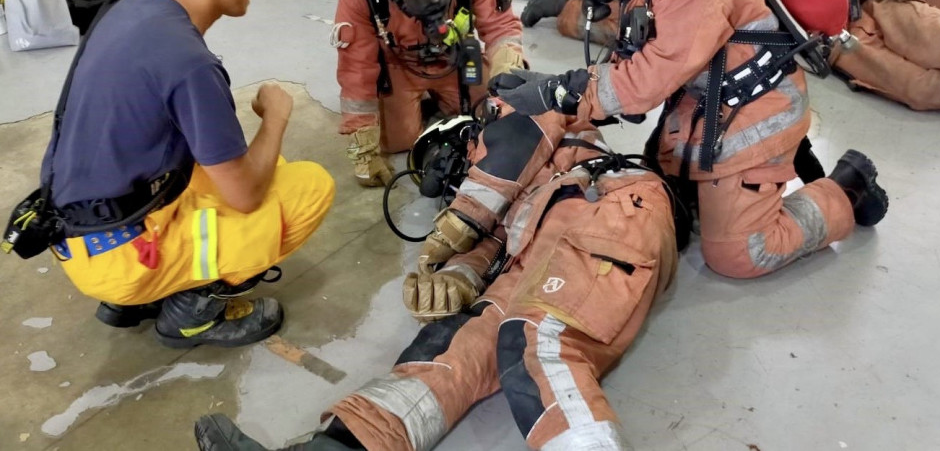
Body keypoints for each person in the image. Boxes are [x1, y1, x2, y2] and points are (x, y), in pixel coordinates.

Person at [492, 0, 889, 280]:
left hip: (753, 121)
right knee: (666, 207)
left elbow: (648, 79)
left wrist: (559, 90)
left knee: (738, 255)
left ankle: (847, 189)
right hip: (706, 105)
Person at [194, 106, 678, 450]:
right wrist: (456, 278)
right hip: (541, 257)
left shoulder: (516, 122)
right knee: (447, 351)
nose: (447, 181)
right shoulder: (509, 194)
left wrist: (451, 230)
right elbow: (501, 243)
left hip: (610, 213)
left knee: (535, 340)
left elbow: (516, 145)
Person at [38, 0, 335, 348]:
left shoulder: (133, 5)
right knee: (306, 188)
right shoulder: (189, 63)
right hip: (116, 254)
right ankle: (192, 311)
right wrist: (276, 118)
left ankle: (134, 297)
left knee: (258, 166)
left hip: (77, 227)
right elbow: (244, 195)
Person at [334, 0, 525, 188]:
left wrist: (508, 80)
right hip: (401, 68)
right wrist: (364, 151)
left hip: (457, 57)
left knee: (487, 115)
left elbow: (501, 28)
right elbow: (357, 69)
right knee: (398, 141)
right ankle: (409, 105)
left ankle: (440, 101)